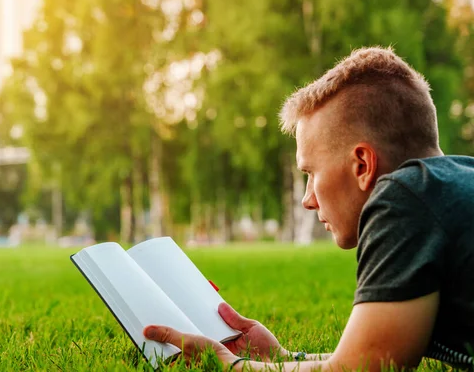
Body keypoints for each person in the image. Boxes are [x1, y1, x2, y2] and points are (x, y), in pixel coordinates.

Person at [143, 47, 474, 371]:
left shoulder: (405, 197)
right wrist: (280, 358)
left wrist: (232, 365)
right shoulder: (455, 183)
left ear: (362, 165)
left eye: (311, 173)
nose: (308, 199)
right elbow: (377, 359)